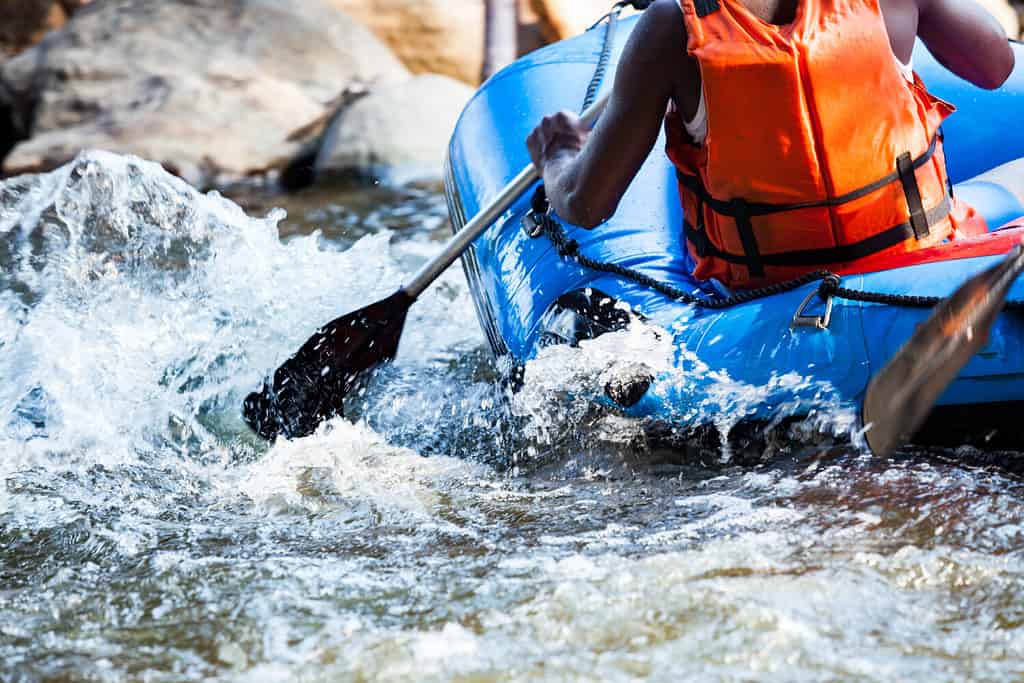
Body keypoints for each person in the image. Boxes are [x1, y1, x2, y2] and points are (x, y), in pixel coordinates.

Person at [526, 0, 1017, 288]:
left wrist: (560, 152)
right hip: (925, 268)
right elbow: (995, 65)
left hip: (767, 301)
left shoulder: (671, 29)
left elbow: (585, 203)